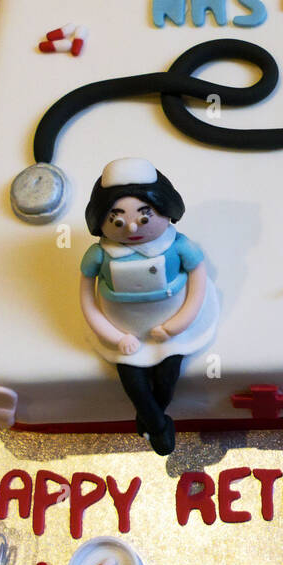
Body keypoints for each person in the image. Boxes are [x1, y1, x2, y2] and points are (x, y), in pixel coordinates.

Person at [78, 158, 219, 455]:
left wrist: (177, 324)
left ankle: (151, 422)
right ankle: (157, 427)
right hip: (122, 326)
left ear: (165, 209)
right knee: (133, 382)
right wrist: (115, 337)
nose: (131, 227)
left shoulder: (178, 245)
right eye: (117, 221)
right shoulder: (99, 255)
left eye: (144, 217)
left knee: (167, 378)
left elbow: (198, 279)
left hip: (172, 321)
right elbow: (87, 299)